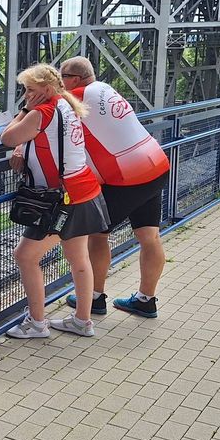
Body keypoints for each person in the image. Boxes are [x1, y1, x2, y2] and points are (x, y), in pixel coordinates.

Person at [0, 64, 109, 339]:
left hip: (60, 198)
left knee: (24, 256)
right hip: (83, 189)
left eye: (30, 90)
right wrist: (23, 146)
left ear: (46, 90)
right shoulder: (65, 104)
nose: (26, 95)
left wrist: (25, 112)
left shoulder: (41, 111)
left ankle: (37, 323)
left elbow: (7, 137)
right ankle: (82, 321)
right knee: (78, 259)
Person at [58, 57, 170, 318]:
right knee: (150, 236)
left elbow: (38, 112)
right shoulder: (104, 88)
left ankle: (94, 298)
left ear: (73, 79)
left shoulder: (74, 96)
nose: (58, 84)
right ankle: (146, 299)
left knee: (97, 234)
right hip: (156, 164)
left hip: (126, 176)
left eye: (61, 77)